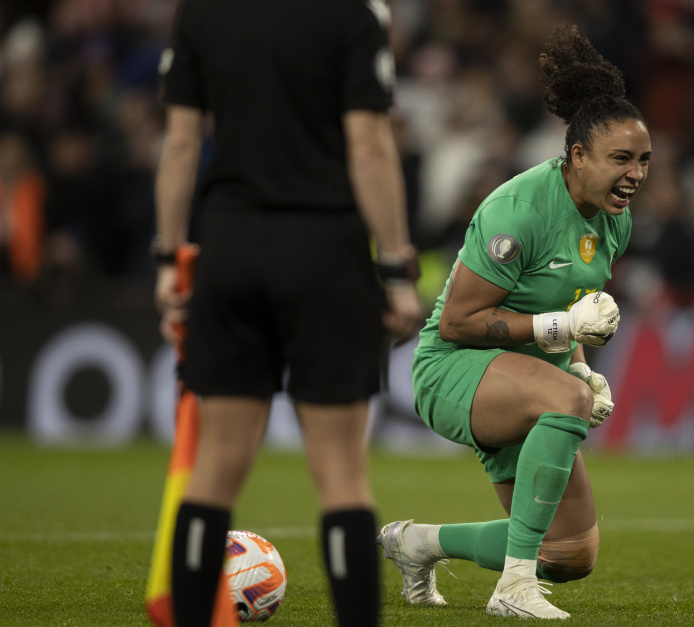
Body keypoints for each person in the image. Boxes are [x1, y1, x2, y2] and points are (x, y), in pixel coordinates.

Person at [152, 1, 424, 626]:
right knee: (342, 476)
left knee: (215, 469)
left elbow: (181, 142)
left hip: (231, 245)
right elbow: (370, 147)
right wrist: (393, 269)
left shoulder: (201, 11)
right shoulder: (356, 12)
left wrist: (169, 255)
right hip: (325, 253)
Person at [377, 25, 652, 620]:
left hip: (526, 378)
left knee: (571, 554)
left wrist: (582, 367)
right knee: (564, 399)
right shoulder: (518, 210)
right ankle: (512, 589)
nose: (635, 174)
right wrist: (564, 349)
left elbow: (570, 310)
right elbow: (457, 323)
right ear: (578, 155)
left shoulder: (614, 220)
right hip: (452, 371)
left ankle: (418, 543)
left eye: (644, 160)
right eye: (621, 159)